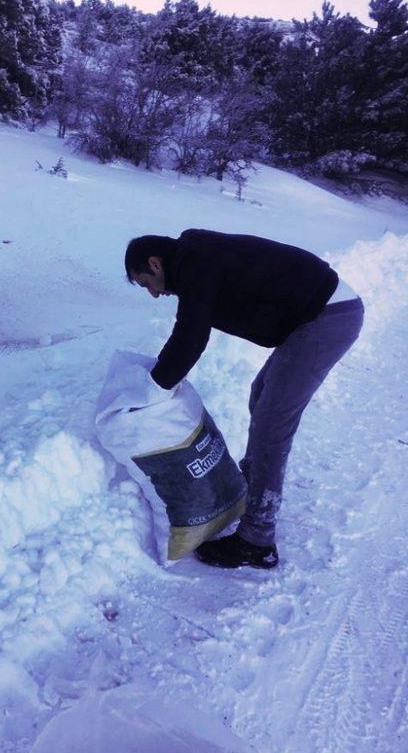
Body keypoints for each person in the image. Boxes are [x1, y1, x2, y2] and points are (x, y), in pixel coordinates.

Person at [125, 229, 364, 570]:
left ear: (154, 263)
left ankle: (257, 540)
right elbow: (189, 327)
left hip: (327, 316)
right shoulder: (196, 257)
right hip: (321, 312)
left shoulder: (195, 261)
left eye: (145, 282)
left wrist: (153, 388)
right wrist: (160, 377)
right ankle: (253, 484)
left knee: (272, 423)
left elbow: (191, 336)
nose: (153, 293)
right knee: (262, 395)